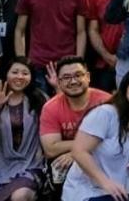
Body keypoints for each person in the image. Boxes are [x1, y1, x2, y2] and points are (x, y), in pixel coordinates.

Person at [62, 68, 129, 201]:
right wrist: (106, 183)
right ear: (124, 89)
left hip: (121, 192)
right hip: (88, 192)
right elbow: (79, 152)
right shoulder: (105, 114)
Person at [15, 0, 88, 95]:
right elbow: (19, 30)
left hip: (66, 66)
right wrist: (22, 62)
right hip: (37, 64)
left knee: (66, 106)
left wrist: (78, 61)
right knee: (40, 106)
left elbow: (81, 32)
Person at [0, 57, 47, 201]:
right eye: (15, 72)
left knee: (20, 195)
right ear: (6, 74)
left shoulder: (39, 98)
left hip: (31, 164)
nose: (20, 77)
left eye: (25, 73)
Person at [39, 56, 111, 193]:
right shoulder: (51, 107)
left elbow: (115, 140)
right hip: (65, 162)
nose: (73, 81)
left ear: (88, 77)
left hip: (101, 158)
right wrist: (90, 143)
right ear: (59, 82)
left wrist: (76, 153)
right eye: (66, 77)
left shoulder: (107, 102)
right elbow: (50, 149)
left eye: (78, 75)